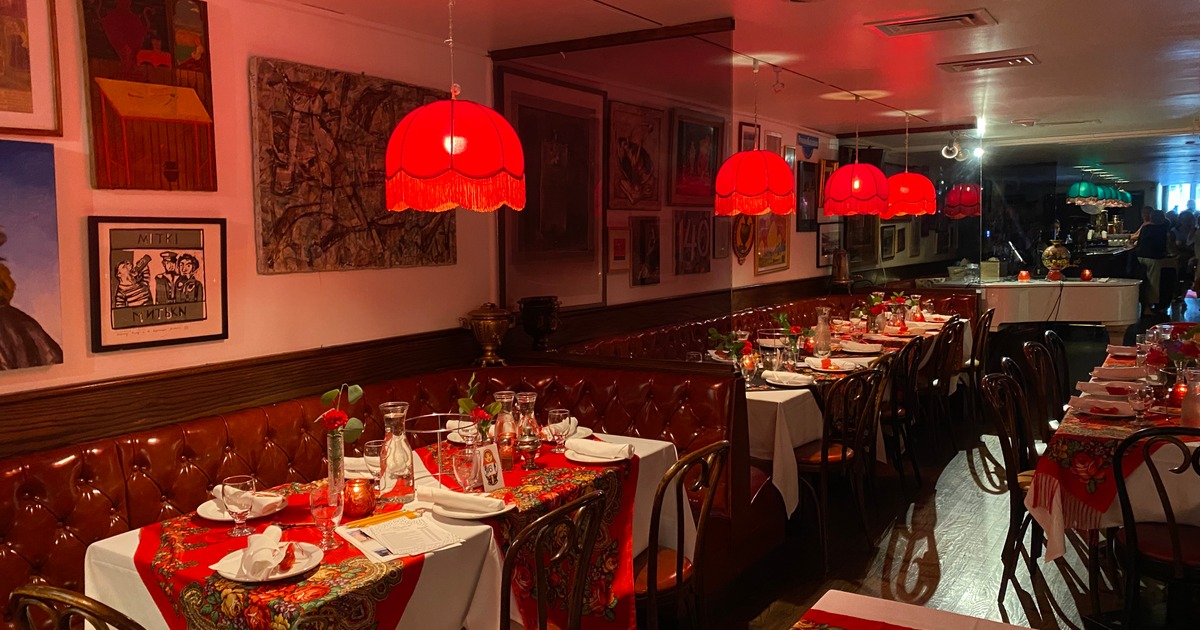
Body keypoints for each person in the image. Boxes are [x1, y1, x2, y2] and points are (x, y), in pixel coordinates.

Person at [1128, 206, 1170, 313]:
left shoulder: (1146, 228)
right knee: (1152, 282)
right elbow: (1163, 246)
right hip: (1154, 258)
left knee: (1142, 280)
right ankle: (1149, 307)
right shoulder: (1163, 229)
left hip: (1140, 256)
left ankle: (1142, 304)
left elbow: (1140, 241)